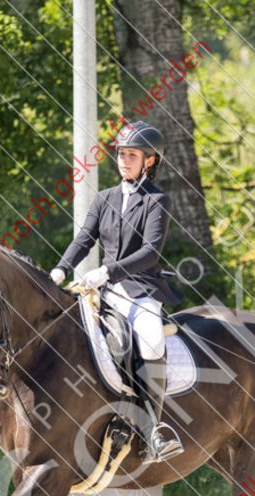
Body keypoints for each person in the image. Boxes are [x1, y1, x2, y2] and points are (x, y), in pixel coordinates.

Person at [50, 121, 184, 462]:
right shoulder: (105, 198)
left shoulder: (157, 201)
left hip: (140, 290)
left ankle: (153, 430)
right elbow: (84, 238)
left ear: (149, 161)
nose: (123, 160)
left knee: (151, 338)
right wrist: (61, 269)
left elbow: (149, 253)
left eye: (132, 155)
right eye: (121, 154)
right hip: (103, 292)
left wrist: (106, 271)